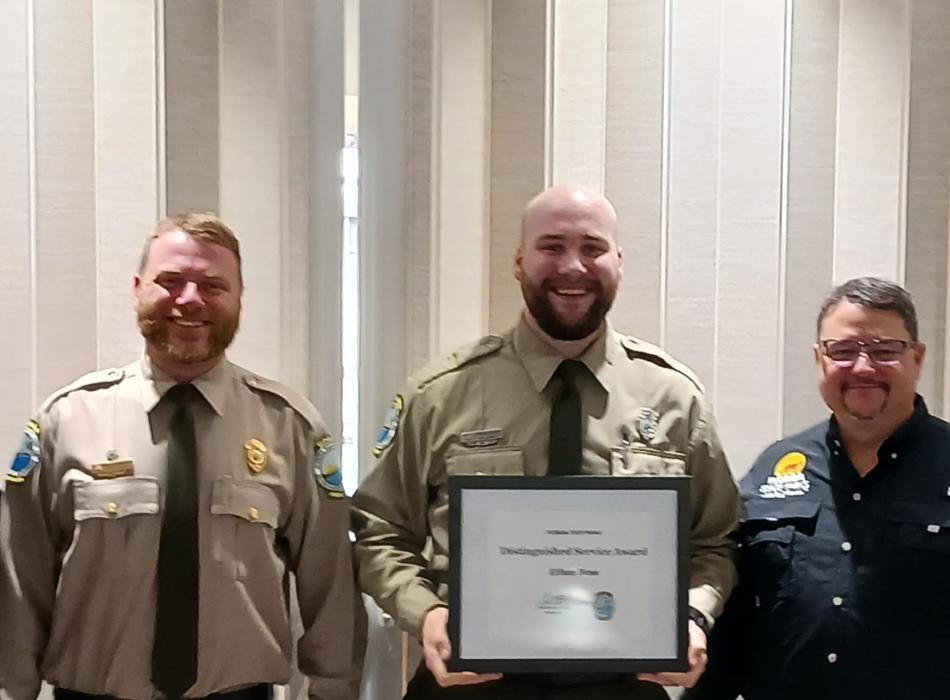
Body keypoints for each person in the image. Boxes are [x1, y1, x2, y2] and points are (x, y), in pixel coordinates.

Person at [351, 185, 739, 699]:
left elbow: (716, 540)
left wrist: (693, 615)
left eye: (593, 248)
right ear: (519, 261)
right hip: (471, 682)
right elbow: (379, 530)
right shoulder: (442, 394)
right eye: (552, 247)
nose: (573, 267)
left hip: (620, 682)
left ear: (619, 261)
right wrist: (427, 613)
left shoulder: (675, 398)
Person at [0, 214, 366, 700]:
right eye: (170, 281)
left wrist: (332, 692)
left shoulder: (289, 428)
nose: (190, 299)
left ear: (239, 299)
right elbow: (21, 582)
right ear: (137, 289)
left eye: (213, 285)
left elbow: (332, 586)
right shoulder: (65, 421)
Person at [687, 276, 950, 700]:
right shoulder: (774, 468)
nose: (863, 367)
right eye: (843, 351)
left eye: (884, 351)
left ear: (917, 359)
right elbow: (736, 626)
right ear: (819, 360)